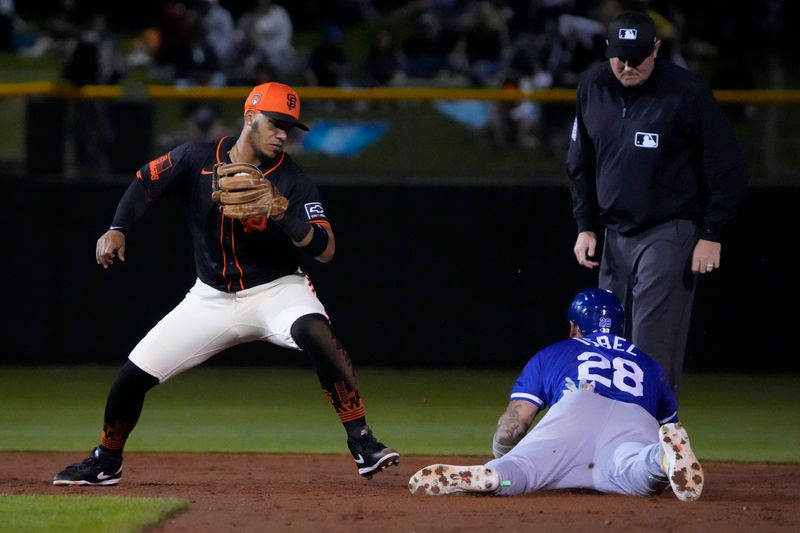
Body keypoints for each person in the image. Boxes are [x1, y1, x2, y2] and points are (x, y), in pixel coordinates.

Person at [52, 82, 400, 486]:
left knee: (315, 332)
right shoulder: (196, 157)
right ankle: (106, 461)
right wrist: (117, 228)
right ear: (250, 117)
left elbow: (326, 249)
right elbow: (145, 181)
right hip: (210, 297)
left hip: (277, 289)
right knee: (131, 377)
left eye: (289, 127)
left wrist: (282, 212)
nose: (283, 134)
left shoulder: (292, 180)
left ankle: (362, 442)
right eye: (276, 123)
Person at [566, 10, 748, 391]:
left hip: (670, 227)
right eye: (620, 56)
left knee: (651, 339)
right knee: (604, 337)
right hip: (614, 230)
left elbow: (727, 165)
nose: (628, 65)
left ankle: (652, 436)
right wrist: (585, 225)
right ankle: (605, 437)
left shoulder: (686, 92)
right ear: (607, 50)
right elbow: (579, 162)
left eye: (637, 56)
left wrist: (712, 231)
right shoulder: (592, 85)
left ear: (657, 48)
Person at [409, 288, 704, 501]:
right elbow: (666, 420)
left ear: (574, 327)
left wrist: (513, 454)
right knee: (636, 473)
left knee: (524, 468)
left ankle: (496, 475)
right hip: (636, 419)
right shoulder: (650, 365)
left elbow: (511, 428)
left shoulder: (555, 352)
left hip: (577, 406)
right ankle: (662, 459)